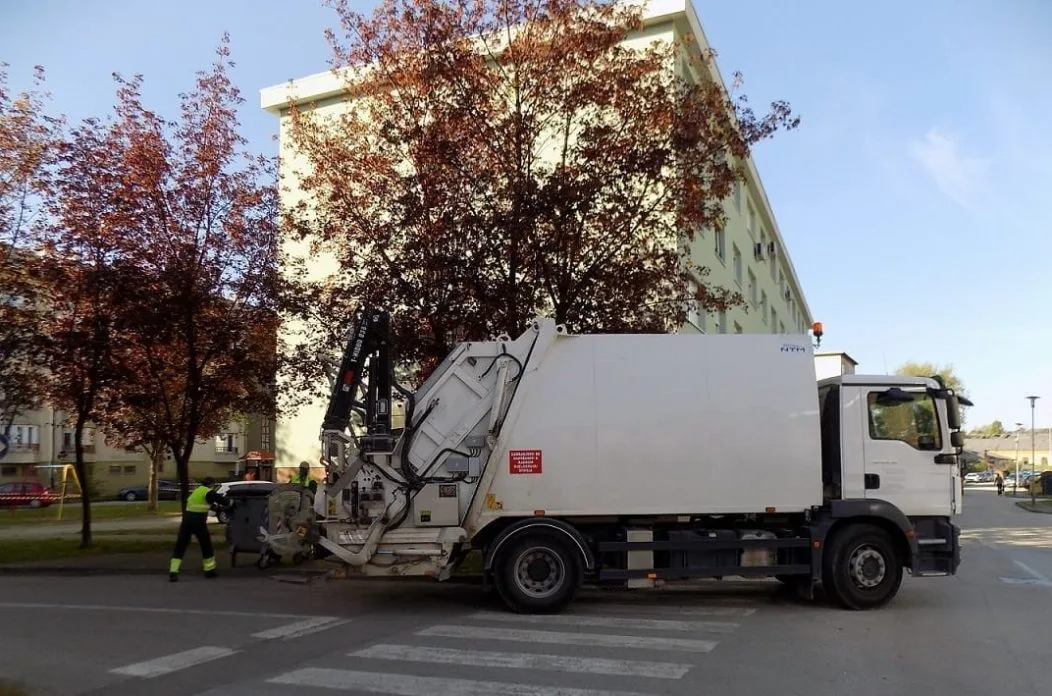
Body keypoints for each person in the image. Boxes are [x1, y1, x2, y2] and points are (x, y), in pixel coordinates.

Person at [168, 477, 228, 582]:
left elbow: (206, 504)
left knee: (180, 546)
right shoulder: (208, 492)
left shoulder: (197, 491)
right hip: (198, 522)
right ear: (211, 484)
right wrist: (232, 503)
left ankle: (173, 572)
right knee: (206, 545)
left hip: (186, 521)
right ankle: (209, 571)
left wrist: (215, 507)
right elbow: (222, 500)